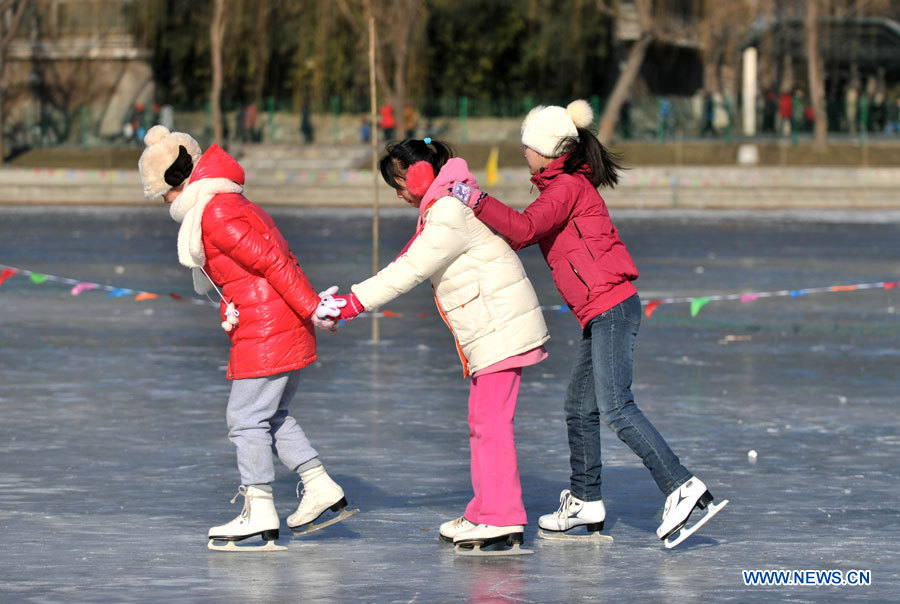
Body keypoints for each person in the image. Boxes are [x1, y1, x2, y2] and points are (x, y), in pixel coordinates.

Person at [447, 100, 727, 548]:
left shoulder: (566, 188)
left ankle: (684, 488)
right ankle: (585, 501)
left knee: (616, 407)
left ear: (545, 149)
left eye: (526, 145)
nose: (522, 152)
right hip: (599, 313)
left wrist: (474, 199)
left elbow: (522, 230)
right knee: (580, 408)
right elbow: (523, 229)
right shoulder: (559, 188)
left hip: (611, 308)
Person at [137, 125, 356, 552]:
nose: (164, 204)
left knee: (245, 418)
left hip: (269, 326)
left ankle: (258, 509)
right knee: (270, 415)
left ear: (176, 181)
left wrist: (311, 306)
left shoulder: (215, 212)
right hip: (270, 321)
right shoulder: (226, 203)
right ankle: (319, 486)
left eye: (161, 193)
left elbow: (274, 262)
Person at [332, 138, 550, 555]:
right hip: (492, 327)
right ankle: (486, 508)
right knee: (482, 422)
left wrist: (352, 303)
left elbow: (412, 267)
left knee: (491, 425)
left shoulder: (448, 210)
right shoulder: (446, 203)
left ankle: (501, 518)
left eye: (398, 183)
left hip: (499, 327)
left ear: (419, 177)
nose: (397, 194)